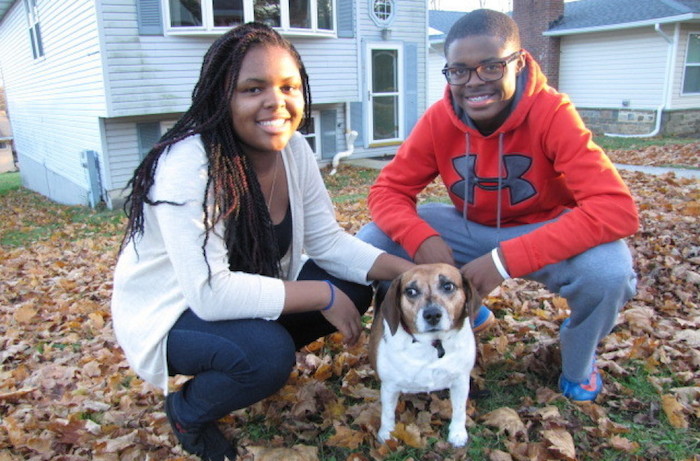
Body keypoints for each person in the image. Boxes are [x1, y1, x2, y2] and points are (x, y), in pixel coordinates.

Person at [111, 23, 413, 461]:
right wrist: (319, 293)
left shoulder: (294, 151)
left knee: (352, 283)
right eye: (253, 88)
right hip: (174, 312)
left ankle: (248, 353)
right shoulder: (189, 164)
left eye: (289, 87)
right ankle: (188, 410)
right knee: (267, 354)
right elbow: (210, 294)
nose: (277, 102)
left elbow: (327, 242)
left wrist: (408, 271)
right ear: (222, 96)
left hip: (243, 291)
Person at [357, 9, 638, 402]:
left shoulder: (552, 113)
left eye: (490, 67)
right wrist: (422, 240)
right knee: (372, 240)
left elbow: (615, 209)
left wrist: (504, 261)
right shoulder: (441, 118)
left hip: (542, 228)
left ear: (518, 62)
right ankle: (446, 320)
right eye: (459, 71)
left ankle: (578, 363)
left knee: (609, 271)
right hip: (469, 225)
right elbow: (386, 190)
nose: (474, 83)